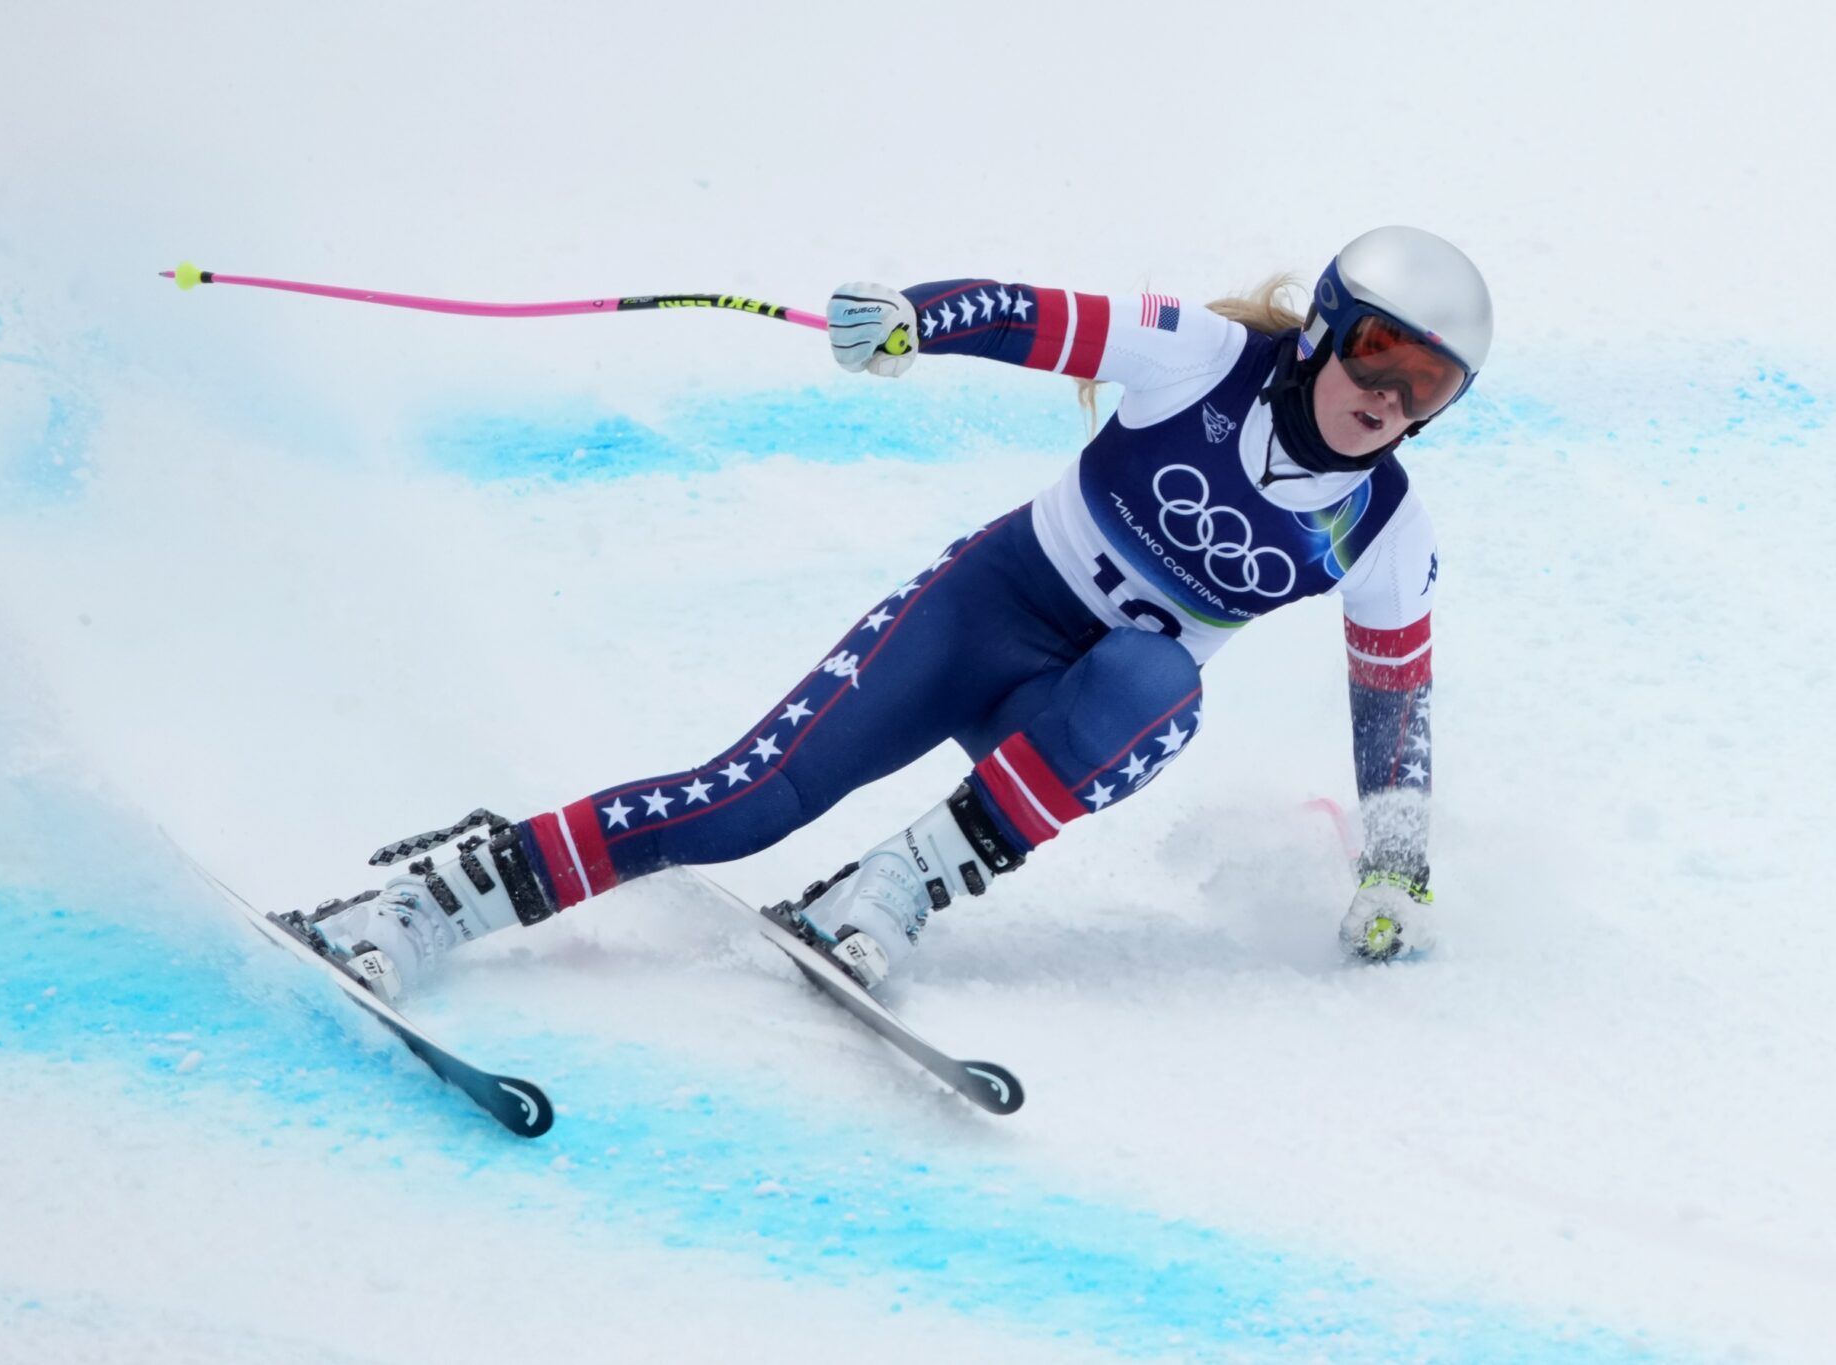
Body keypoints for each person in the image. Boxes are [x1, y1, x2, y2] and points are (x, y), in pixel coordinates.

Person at [297, 225, 1490, 1002]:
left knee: (1161, 686)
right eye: (1377, 353)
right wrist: (918, 317)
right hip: (987, 611)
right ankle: (426, 900)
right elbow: (1034, 312)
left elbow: (1395, 704)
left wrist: (1397, 869)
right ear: (1326, 329)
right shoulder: (1208, 359)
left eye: (1425, 382)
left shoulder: (1386, 529)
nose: (1387, 395)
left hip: (1069, 718)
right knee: (744, 805)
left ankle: (895, 888)